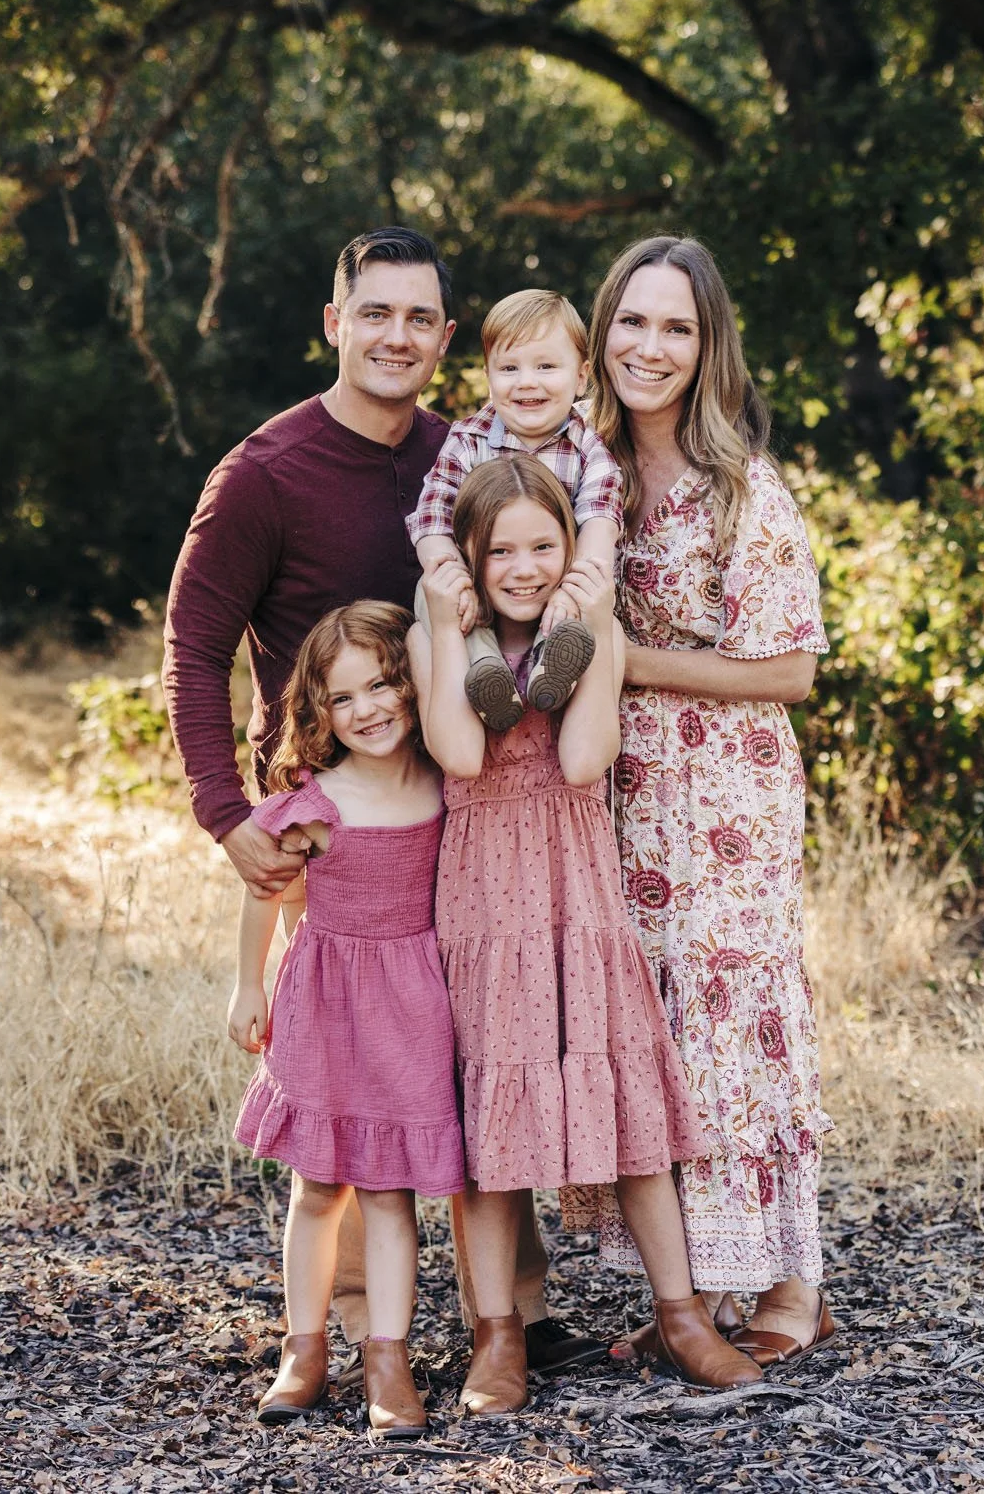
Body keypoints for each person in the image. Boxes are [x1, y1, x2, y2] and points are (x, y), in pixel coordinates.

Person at [162, 226, 595, 1379]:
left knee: (463, 1048)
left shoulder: (463, 458)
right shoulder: (263, 474)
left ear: (445, 339)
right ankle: (358, 1323)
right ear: (335, 322)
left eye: (418, 318)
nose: (396, 335)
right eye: (375, 313)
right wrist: (226, 814)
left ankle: (516, 1308)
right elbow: (191, 648)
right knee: (354, 1058)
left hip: (460, 800)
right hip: (333, 810)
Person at [411, 455, 763, 1409]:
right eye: (501, 553)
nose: (524, 567)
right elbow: (457, 751)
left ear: (572, 551)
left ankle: (681, 1315)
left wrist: (589, 636)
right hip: (484, 896)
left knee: (632, 1105)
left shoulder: (594, 629)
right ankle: (498, 1337)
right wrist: (453, 634)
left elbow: (580, 762)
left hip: (576, 888)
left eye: (544, 546)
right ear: (471, 562)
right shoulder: (433, 630)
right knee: (493, 1119)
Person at [574, 236, 837, 1369]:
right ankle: (695, 1291)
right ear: (602, 332)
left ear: (706, 344)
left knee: (734, 1025)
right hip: (618, 793)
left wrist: (627, 659)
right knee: (657, 1032)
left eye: (675, 328)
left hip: (725, 794)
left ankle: (790, 1285)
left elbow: (790, 672)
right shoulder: (579, 469)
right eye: (632, 323)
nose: (650, 346)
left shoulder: (742, 488)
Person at [230, 602, 461, 1442]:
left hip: (412, 1008)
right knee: (321, 1187)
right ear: (317, 713)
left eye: (382, 684)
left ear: (412, 682)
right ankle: (305, 1348)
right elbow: (265, 889)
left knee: (394, 1191)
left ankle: (388, 1360)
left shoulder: (444, 783)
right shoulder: (318, 801)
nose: (368, 709)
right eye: (343, 697)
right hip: (325, 1002)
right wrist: (245, 987)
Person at [408, 289, 622, 731]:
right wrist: (451, 574)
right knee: (429, 591)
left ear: (581, 377)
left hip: (552, 590)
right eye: (509, 368)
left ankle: (551, 662)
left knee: (593, 583)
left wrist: (573, 589)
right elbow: (432, 512)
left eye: (546, 366)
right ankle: (488, 676)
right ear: (488, 377)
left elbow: (600, 523)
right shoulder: (469, 439)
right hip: (479, 590)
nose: (527, 382)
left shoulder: (588, 450)